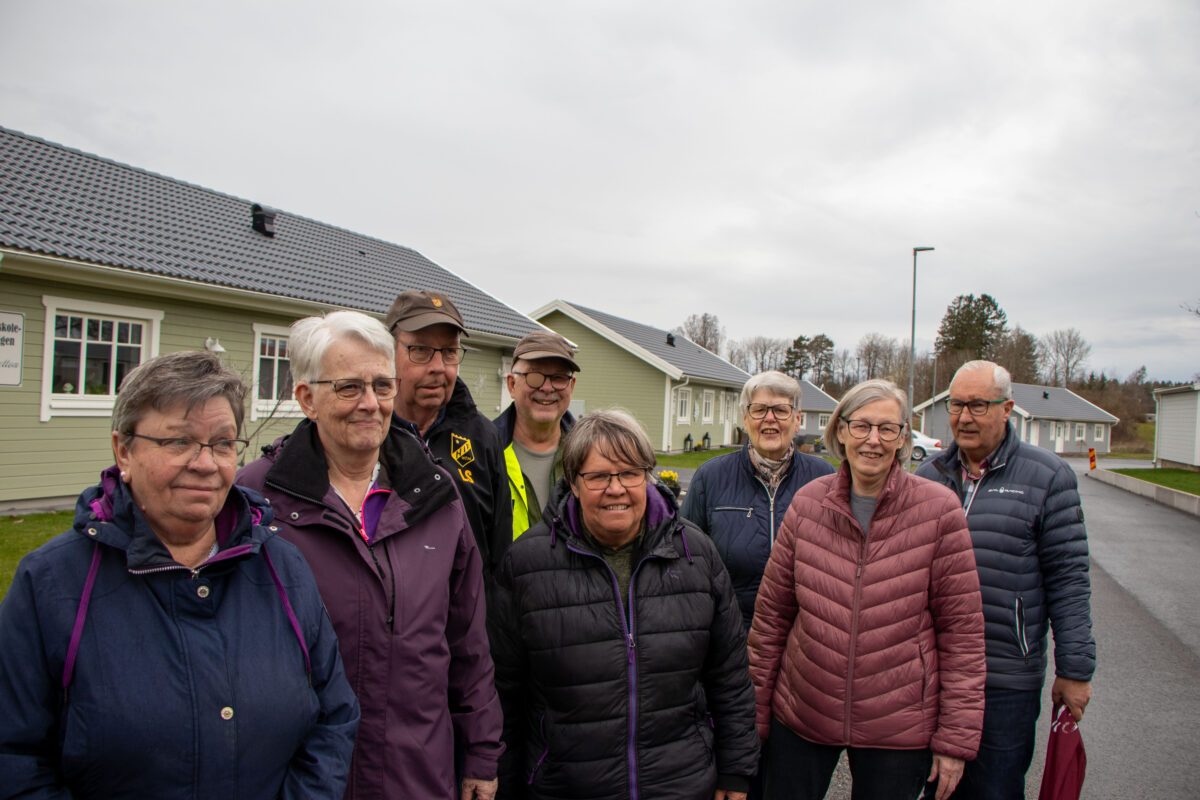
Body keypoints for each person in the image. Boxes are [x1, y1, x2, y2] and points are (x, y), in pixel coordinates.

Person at [0, 351, 359, 799]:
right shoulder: (50, 584)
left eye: (223, 443)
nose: (205, 464)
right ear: (123, 450)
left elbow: (334, 715)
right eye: (178, 442)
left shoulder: (283, 568)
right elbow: (15, 758)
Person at [237, 311, 502, 800]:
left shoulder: (436, 497)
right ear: (306, 399)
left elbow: (468, 642)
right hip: (300, 778)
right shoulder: (256, 500)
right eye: (348, 388)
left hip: (417, 773)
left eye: (382, 386)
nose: (370, 404)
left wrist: (482, 752)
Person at [490, 410, 760, 800]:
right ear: (574, 483)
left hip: (681, 783)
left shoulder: (695, 555)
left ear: (647, 478)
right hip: (566, 787)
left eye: (630, 473)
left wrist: (735, 770)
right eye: (598, 476)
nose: (616, 488)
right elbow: (504, 692)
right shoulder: (527, 564)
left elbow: (730, 676)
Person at [749, 379, 986, 800]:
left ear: (902, 439)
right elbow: (771, 620)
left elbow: (962, 636)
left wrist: (954, 739)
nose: (872, 440)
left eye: (887, 429)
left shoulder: (939, 511)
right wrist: (755, 717)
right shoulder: (808, 504)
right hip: (804, 712)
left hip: (899, 724)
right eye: (861, 426)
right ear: (841, 431)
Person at [916, 361, 1096, 800]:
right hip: (932, 671)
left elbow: (1069, 579)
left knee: (994, 788)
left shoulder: (1048, 478)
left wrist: (1075, 670)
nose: (964, 416)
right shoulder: (927, 477)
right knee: (931, 787)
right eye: (957, 405)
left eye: (978, 405)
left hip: (1005, 676)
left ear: (1007, 409)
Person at [681, 370, 835, 628]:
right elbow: (686, 557)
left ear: (797, 420)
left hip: (805, 637)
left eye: (781, 410)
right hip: (732, 635)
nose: (769, 419)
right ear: (745, 418)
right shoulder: (711, 477)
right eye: (759, 409)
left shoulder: (825, 480)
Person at [385, 289, 512, 576]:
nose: (438, 367)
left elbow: (499, 550)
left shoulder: (483, 436)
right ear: (389, 352)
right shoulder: (368, 436)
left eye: (450, 352)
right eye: (421, 350)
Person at [493, 330, 580, 539]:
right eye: (534, 376)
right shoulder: (482, 451)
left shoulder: (590, 453)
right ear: (512, 385)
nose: (547, 388)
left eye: (559, 378)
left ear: (572, 386)